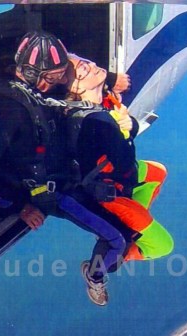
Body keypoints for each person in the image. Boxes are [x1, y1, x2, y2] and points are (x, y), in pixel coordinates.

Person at [0, 31, 131, 306]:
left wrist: (110, 79)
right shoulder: (9, 112)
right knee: (117, 239)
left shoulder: (31, 87)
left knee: (121, 225)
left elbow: (75, 66)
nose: (57, 82)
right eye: (53, 77)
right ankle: (94, 277)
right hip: (54, 194)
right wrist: (19, 207)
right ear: (32, 73)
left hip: (65, 177)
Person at [65, 54, 174, 265]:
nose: (93, 65)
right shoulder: (95, 120)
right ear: (76, 87)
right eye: (85, 69)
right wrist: (124, 128)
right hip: (108, 192)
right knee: (164, 245)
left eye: (89, 62)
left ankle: (128, 223)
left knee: (157, 172)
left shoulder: (99, 104)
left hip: (113, 177)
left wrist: (128, 123)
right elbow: (124, 160)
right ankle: (121, 254)